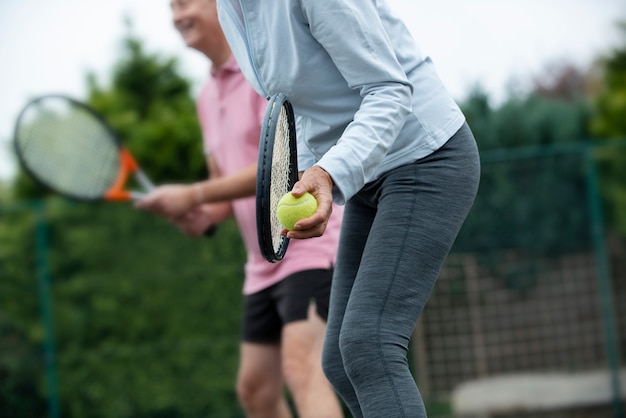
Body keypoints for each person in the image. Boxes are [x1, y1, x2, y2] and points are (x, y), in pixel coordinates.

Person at [141, 0, 480, 417]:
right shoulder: (234, 9)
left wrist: (328, 173)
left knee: (368, 344)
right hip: (370, 178)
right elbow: (297, 111)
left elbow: (390, 91)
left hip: (425, 156)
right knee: (339, 361)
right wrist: (305, 176)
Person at [141, 1, 345, 417]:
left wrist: (194, 193)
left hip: (307, 243)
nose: (176, 15)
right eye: (171, 7)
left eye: (184, 3)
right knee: (255, 390)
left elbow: (283, 163)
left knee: (302, 368)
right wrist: (200, 214)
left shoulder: (264, 70)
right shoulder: (205, 96)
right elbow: (224, 187)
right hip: (260, 265)